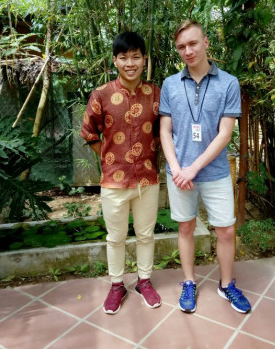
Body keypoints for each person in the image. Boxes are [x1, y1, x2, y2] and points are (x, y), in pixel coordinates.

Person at [159, 20, 251, 314]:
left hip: (215, 172)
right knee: (185, 227)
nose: (187, 51)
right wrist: (177, 168)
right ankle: (189, 282)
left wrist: (193, 168)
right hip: (179, 174)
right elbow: (165, 131)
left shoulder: (228, 83)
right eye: (181, 47)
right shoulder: (170, 84)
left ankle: (226, 284)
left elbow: (225, 134)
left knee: (225, 231)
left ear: (206, 42)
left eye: (193, 43)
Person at [81, 31, 161, 314]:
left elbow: (165, 132)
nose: (130, 63)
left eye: (136, 57)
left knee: (145, 235)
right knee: (115, 238)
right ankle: (117, 285)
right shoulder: (101, 95)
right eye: (124, 57)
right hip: (113, 182)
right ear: (114, 60)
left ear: (144, 60)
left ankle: (144, 281)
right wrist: (108, 157)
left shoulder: (156, 94)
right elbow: (88, 132)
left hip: (148, 179)